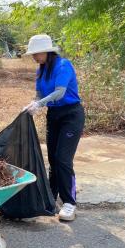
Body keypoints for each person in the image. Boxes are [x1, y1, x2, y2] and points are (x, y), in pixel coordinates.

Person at [23, 34, 85, 221]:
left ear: (47, 51)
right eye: (32, 54)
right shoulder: (41, 70)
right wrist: (32, 104)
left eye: (36, 53)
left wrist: (39, 104)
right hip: (54, 116)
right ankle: (51, 196)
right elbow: (39, 93)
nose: (34, 57)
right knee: (52, 158)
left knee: (63, 159)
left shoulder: (63, 65)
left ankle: (69, 203)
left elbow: (59, 92)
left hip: (71, 115)